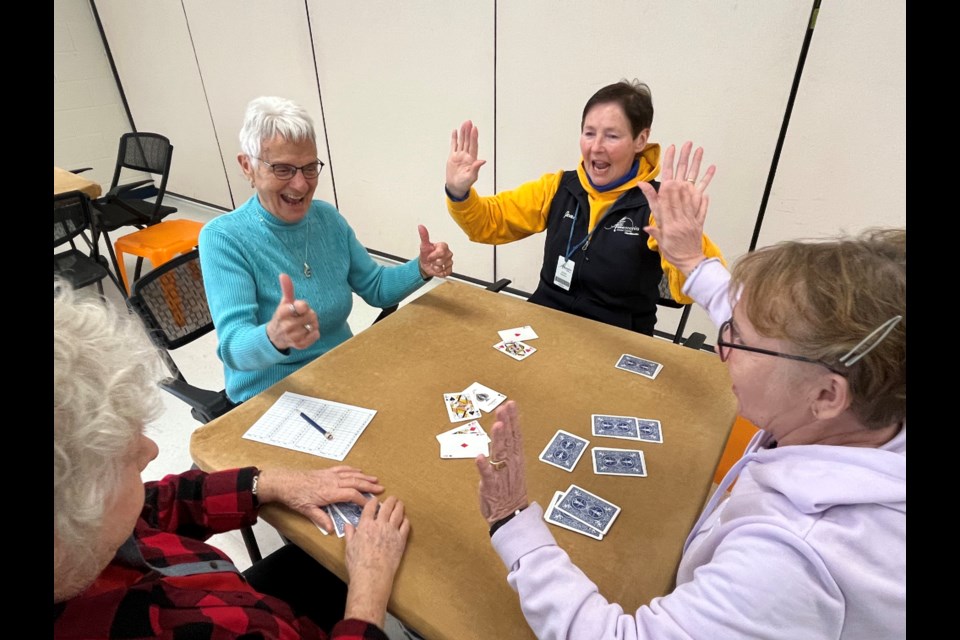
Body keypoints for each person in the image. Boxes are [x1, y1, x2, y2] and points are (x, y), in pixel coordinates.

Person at [473, 144, 906, 638]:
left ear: (828, 397)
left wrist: (512, 522)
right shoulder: (876, 390)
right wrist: (692, 260)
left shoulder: (791, 560)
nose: (722, 349)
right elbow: (744, 315)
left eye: (738, 340)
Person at [54, 282, 411, 639]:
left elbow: (156, 505)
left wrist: (269, 483)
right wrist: (367, 595)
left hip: (233, 595)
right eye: (123, 456)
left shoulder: (89, 534)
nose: (150, 451)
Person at [200, 96, 455, 403]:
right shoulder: (224, 238)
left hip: (341, 373)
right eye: (282, 169)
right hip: (272, 395)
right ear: (247, 167)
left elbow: (376, 287)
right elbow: (233, 347)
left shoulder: (326, 218)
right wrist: (274, 335)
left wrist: (421, 268)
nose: (300, 185)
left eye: (309, 168)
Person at [444, 80, 725, 335]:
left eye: (612, 136)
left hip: (617, 340)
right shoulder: (557, 187)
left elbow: (688, 292)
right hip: (545, 326)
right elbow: (488, 223)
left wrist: (689, 249)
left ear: (640, 140)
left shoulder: (660, 205)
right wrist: (459, 192)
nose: (596, 147)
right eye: (589, 133)